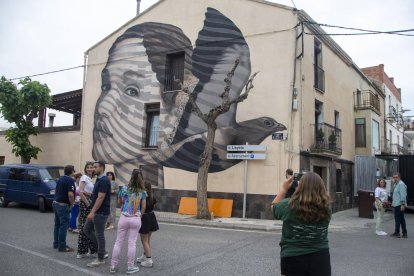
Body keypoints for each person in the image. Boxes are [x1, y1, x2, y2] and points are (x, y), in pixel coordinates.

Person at [271, 172, 331, 276]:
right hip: (321, 257)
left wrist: (284, 189)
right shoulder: (326, 208)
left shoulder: (288, 205)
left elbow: (273, 208)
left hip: (293, 257)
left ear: (300, 186)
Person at [110, 169, 147, 274]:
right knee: (132, 243)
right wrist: (139, 215)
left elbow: (119, 202)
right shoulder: (142, 191)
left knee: (118, 242)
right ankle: (130, 267)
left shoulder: (124, 188)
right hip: (136, 218)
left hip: (124, 217)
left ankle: (113, 266)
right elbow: (143, 206)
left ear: (131, 176)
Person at [84, 161, 111, 267]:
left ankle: (100, 258)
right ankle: (102, 250)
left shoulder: (104, 180)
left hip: (100, 212)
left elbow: (101, 197)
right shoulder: (99, 179)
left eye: (95, 167)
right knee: (87, 230)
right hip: (97, 211)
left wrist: (92, 212)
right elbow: (97, 195)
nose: (93, 169)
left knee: (99, 234)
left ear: (102, 168)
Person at [76, 161, 98, 259]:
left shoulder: (90, 178)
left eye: (92, 167)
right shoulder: (84, 177)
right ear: (85, 169)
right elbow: (80, 192)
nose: (90, 169)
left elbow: (84, 191)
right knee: (86, 228)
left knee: (89, 227)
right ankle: (82, 251)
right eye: (88, 167)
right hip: (85, 204)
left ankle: (91, 250)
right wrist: (88, 204)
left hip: (88, 203)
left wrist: (89, 194)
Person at [53, 165, 76, 252]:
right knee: (64, 225)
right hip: (63, 204)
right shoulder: (70, 180)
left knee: (57, 224)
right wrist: (72, 204)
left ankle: (56, 243)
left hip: (56, 202)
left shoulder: (61, 178)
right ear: (72, 172)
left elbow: (56, 190)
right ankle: (62, 246)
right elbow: (70, 194)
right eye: (74, 171)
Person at [137, 181, 159, 268]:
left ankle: (149, 260)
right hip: (151, 216)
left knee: (144, 240)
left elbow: (141, 207)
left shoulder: (142, 196)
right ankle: (145, 256)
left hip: (145, 218)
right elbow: (154, 204)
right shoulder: (152, 196)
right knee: (147, 240)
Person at [390, 172, 408, 238]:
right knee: (401, 219)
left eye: (396, 177)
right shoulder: (396, 184)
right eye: (394, 177)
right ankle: (404, 233)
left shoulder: (401, 184)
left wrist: (402, 204)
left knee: (398, 219)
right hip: (396, 204)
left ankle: (397, 232)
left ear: (399, 177)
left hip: (399, 204)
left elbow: (403, 195)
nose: (395, 178)